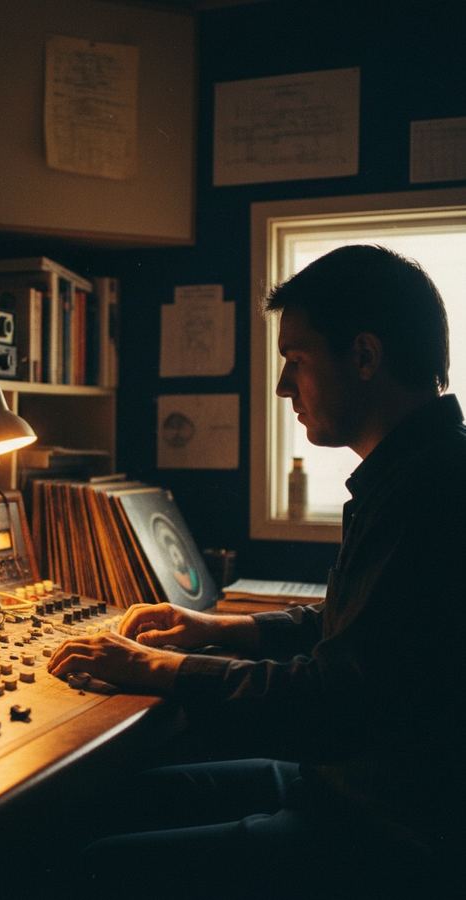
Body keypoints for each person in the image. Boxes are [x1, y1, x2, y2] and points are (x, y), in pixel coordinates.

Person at [47, 245, 466, 898]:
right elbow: (355, 625)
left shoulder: (436, 493)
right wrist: (212, 629)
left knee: (96, 863)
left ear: (363, 356)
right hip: (339, 784)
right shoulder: (413, 471)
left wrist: (158, 667)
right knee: (103, 802)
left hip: (383, 831)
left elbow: (335, 703)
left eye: (295, 360)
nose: (281, 386)